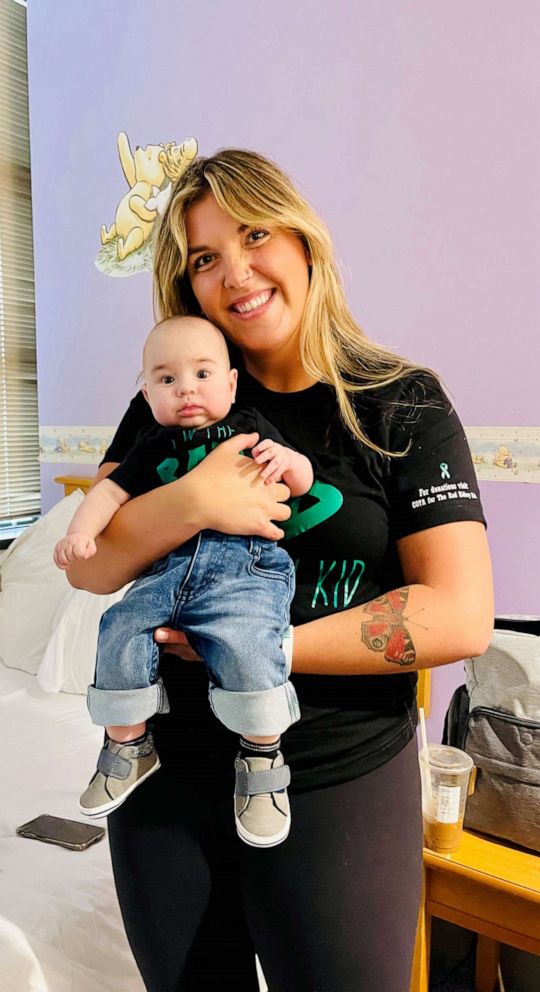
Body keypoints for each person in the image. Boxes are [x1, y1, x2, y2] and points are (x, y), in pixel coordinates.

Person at [67, 149, 493, 991]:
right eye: (203, 257)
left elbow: (459, 614)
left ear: (302, 241)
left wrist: (256, 653)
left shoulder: (399, 400)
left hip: (337, 773)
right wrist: (196, 501)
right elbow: (92, 569)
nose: (236, 272)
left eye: (254, 234)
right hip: (170, 774)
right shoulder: (178, 396)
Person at [54, 315, 313, 846]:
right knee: (119, 626)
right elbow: (106, 494)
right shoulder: (150, 443)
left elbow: (304, 479)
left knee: (250, 644)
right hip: (166, 572)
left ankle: (262, 757)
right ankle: (129, 743)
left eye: (202, 373)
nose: (186, 389)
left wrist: (287, 460)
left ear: (231, 382)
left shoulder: (249, 425)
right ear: (147, 394)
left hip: (244, 570)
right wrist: (80, 532)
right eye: (167, 380)